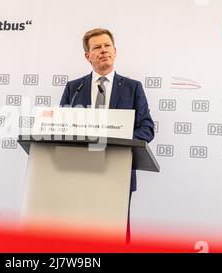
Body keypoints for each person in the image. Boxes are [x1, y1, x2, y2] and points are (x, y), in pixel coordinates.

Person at [59, 28, 155, 243]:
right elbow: (61, 127)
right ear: (88, 56)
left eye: (106, 46)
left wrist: (118, 141)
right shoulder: (74, 88)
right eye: (97, 47)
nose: (103, 51)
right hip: (79, 171)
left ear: (115, 50)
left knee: (116, 234)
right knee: (78, 234)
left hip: (117, 171)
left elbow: (146, 128)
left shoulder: (133, 88)